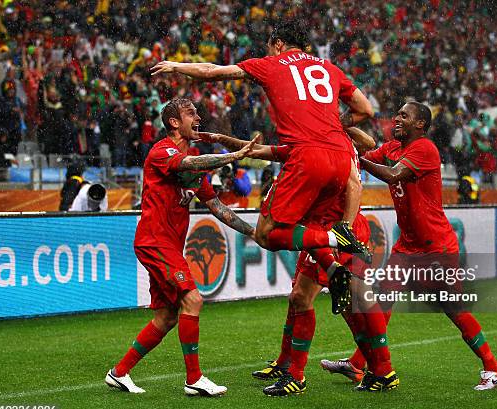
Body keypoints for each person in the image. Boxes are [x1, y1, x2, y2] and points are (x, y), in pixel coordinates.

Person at [151, 17, 374, 315]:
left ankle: (338, 238)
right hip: (341, 160)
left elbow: (210, 72)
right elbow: (366, 110)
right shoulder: (329, 68)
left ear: (278, 44)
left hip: (308, 158)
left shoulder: (272, 65)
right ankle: (334, 268)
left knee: (268, 233)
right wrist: (334, 125)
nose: (268, 52)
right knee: (302, 226)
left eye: (270, 47)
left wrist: (176, 66)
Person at [199, 128, 398, 395]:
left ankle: (371, 369)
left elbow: (360, 164)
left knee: (346, 302)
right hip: (326, 231)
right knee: (312, 299)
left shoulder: (329, 143)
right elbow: (260, 150)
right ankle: (367, 370)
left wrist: (338, 122)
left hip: (334, 231)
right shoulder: (312, 142)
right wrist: (220, 138)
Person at [105, 98, 258, 397]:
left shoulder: (193, 164)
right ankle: (194, 378)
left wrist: (253, 231)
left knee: (166, 317)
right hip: (155, 240)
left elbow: (216, 206)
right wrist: (232, 156)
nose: (198, 117)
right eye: (191, 113)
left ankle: (119, 373)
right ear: (175, 122)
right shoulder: (163, 152)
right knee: (193, 299)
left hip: (167, 244)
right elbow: (188, 164)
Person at [353, 101, 497, 391]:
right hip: (407, 245)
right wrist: (343, 132)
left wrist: (358, 159)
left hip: (436, 247)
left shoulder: (425, 149)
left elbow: (392, 174)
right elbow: (366, 154)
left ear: (420, 124)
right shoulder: (391, 148)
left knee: (453, 308)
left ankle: (493, 367)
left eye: (403, 115)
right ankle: (358, 364)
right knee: (382, 299)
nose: (396, 118)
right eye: (396, 113)